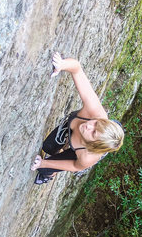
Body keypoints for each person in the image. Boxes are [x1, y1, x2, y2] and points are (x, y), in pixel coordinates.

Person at [31, 52, 124, 184]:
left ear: (93, 144)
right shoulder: (95, 112)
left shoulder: (88, 156)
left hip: (83, 149)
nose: (89, 126)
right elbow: (77, 69)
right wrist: (62, 65)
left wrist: (43, 164)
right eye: (96, 124)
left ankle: (48, 175)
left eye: (93, 133)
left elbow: (75, 166)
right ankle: (66, 144)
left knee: (45, 170)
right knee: (48, 147)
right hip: (73, 126)